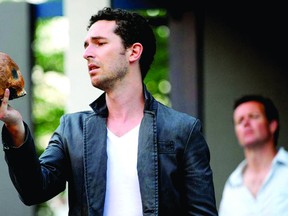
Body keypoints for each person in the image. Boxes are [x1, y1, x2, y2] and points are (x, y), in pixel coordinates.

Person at [0, 7, 218, 215]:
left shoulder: (182, 130)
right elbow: (34, 191)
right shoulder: (73, 130)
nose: (86, 53)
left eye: (99, 43)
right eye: (86, 45)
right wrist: (15, 125)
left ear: (133, 52)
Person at [219, 95, 288, 215]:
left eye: (253, 116)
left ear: (272, 125)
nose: (245, 123)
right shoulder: (232, 185)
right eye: (240, 120)